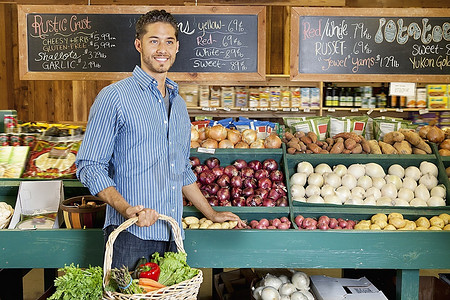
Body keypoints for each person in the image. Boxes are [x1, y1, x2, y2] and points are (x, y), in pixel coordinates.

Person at [75, 9, 243, 270]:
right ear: (139, 45)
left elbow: (181, 170)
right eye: (154, 40)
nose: (162, 49)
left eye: (169, 41)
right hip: (130, 233)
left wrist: (211, 213)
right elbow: (89, 166)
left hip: (172, 234)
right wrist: (126, 209)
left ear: (177, 47)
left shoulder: (178, 105)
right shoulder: (115, 97)